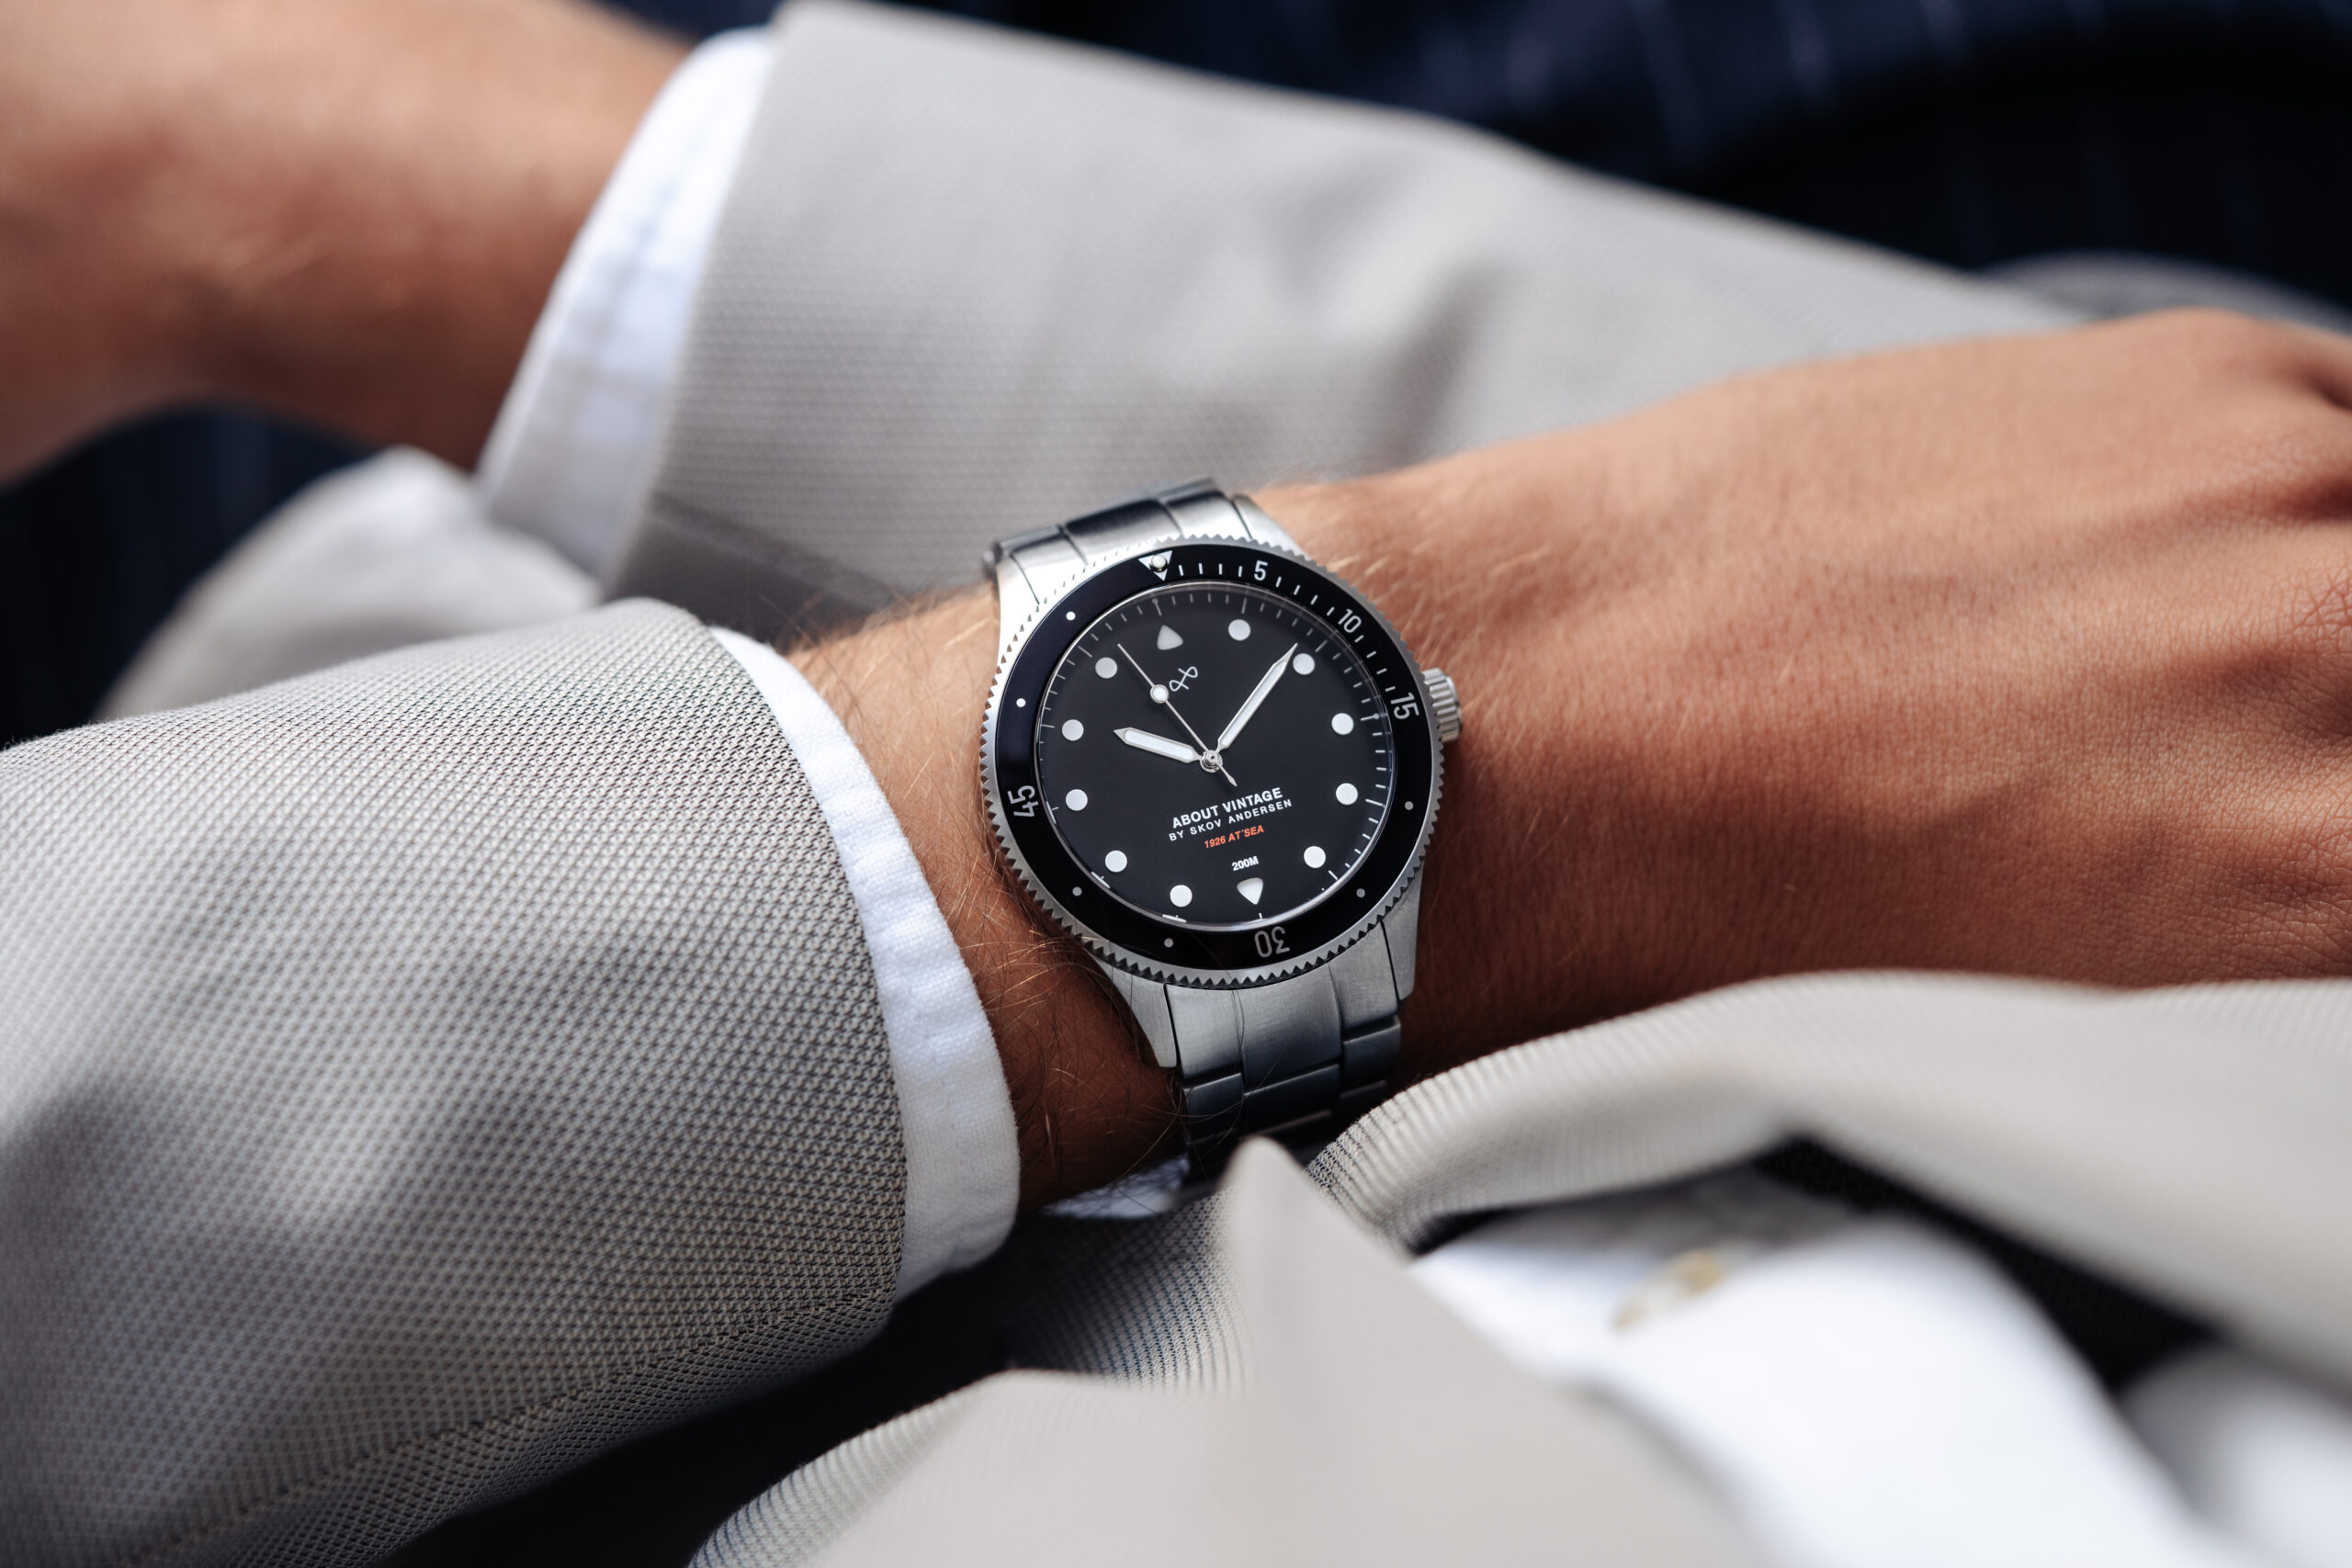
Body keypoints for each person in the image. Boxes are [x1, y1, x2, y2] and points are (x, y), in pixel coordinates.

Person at [5, 2, 2352, 1565]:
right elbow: (2185, 558)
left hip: (325, 875)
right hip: (1544, 342)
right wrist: (543, 213)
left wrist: (946, 865)